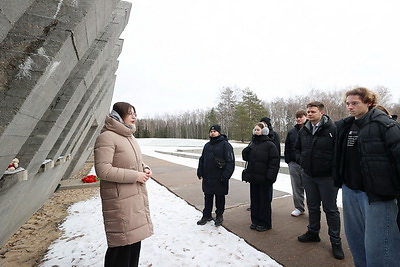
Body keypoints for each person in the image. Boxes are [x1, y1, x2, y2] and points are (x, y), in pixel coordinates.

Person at [333, 87, 400, 266]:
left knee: (381, 246)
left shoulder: (385, 125)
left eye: (355, 103)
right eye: (347, 104)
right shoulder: (345, 126)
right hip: (349, 191)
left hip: (376, 194)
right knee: (356, 241)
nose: (350, 107)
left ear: (368, 102)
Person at [94, 102, 153, 267]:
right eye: (130, 113)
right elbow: (103, 170)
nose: (134, 116)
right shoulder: (106, 137)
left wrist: (145, 168)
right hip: (119, 201)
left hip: (134, 199)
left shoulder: (129, 136)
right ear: (118, 115)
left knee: (134, 244)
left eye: (135, 113)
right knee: (121, 247)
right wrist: (136, 176)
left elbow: (134, 161)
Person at [295, 101, 344, 260]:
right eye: (308, 112)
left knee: (330, 210)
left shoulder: (333, 129)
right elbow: (297, 148)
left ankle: (336, 242)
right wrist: (302, 161)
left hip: (327, 178)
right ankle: (313, 232)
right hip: (309, 175)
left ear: (321, 113)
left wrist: (332, 170)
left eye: (312, 112)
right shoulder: (304, 129)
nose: (309, 114)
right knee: (313, 206)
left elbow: (339, 153)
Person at [242, 122, 280, 231]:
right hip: (254, 178)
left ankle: (265, 223)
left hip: (264, 179)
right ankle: (255, 220)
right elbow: (246, 158)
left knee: (264, 201)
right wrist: (246, 151)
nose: (255, 131)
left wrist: (270, 178)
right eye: (254, 129)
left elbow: (274, 163)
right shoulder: (252, 143)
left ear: (264, 131)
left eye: (258, 129)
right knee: (254, 200)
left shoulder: (270, 145)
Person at [197, 124, 235, 226]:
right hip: (208, 177)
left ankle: (219, 215)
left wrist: (225, 176)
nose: (212, 133)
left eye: (214, 131)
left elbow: (230, 162)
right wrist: (200, 172)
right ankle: (206, 215)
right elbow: (202, 159)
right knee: (207, 196)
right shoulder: (207, 145)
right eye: (211, 131)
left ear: (219, 132)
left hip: (220, 177)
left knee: (220, 197)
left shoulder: (225, 145)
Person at [284, 110, 307, 217]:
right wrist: (288, 160)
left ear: (305, 117)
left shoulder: (310, 130)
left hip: (307, 164)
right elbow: (287, 146)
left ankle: (313, 209)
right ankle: (299, 207)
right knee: (296, 187)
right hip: (294, 163)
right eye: (297, 117)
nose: (298, 119)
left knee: (310, 188)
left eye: (301, 117)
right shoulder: (291, 132)